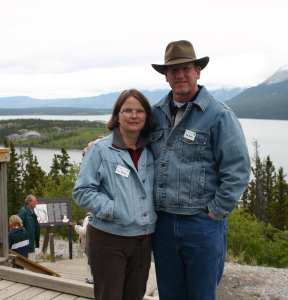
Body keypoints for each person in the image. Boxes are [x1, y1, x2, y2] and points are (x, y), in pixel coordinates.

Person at [147, 40, 251, 300]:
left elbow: (237, 171)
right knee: (170, 294)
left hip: (201, 224)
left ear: (198, 71)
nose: (179, 75)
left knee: (202, 295)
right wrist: (101, 144)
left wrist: (214, 213)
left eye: (185, 69)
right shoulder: (154, 114)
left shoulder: (219, 115)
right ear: (166, 76)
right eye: (173, 71)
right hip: (163, 224)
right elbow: (130, 143)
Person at [73, 89, 157, 300]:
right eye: (127, 110)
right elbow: (82, 192)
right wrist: (114, 209)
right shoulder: (101, 150)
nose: (134, 115)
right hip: (108, 240)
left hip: (142, 241)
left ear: (146, 116)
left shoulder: (152, 150)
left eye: (139, 110)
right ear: (117, 115)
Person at [69, 212, 93, 284]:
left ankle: (91, 279)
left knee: (88, 260)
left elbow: (85, 231)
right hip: (95, 242)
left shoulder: (88, 218)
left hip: (88, 242)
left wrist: (76, 226)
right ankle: (92, 277)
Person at [17, 195, 41, 261]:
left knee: (31, 256)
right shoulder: (23, 212)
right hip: (26, 241)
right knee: (28, 259)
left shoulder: (32, 212)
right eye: (35, 201)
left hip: (31, 240)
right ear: (30, 202)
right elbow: (18, 225)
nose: (36, 202)